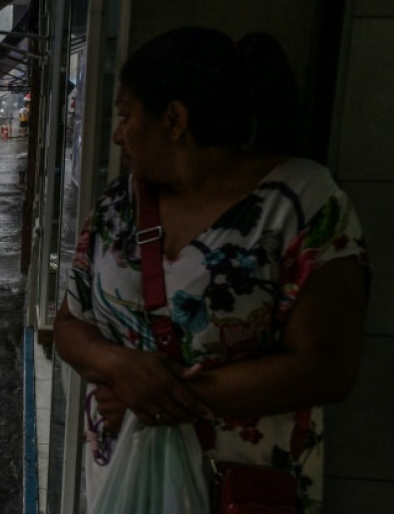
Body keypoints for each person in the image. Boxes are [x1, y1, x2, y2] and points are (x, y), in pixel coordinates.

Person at [53, 26, 369, 512]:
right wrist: (119, 367)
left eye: (126, 115)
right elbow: (69, 325)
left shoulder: (302, 204)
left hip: (240, 490)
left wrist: (153, 397)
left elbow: (325, 369)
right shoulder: (118, 207)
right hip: (119, 481)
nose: (117, 134)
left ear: (174, 120)